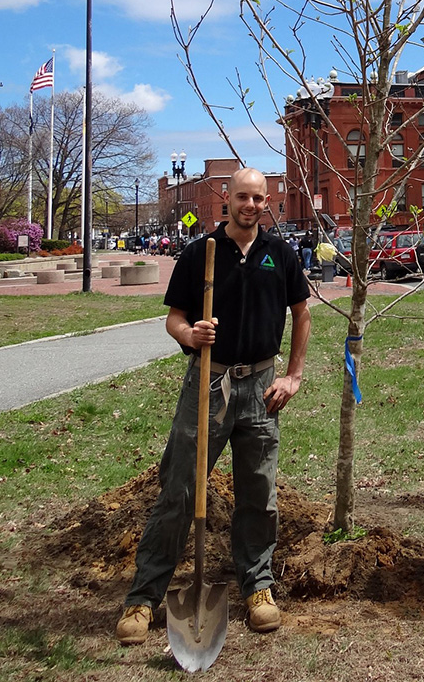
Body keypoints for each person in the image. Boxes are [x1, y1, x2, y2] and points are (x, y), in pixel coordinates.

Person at [115, 168, 312, 645]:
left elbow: (301, 312)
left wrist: (293, 375)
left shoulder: (280, 254)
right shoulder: (199, 252)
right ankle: (144, 596)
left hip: (263, 385)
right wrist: (189, 334)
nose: (250, 204)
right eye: (242, 196)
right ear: (228, 199)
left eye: (258, 198)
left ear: (268, 203)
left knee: (259, 492)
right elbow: (175, 318)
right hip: (210, 382)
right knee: (180, 488)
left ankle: (258, 586)